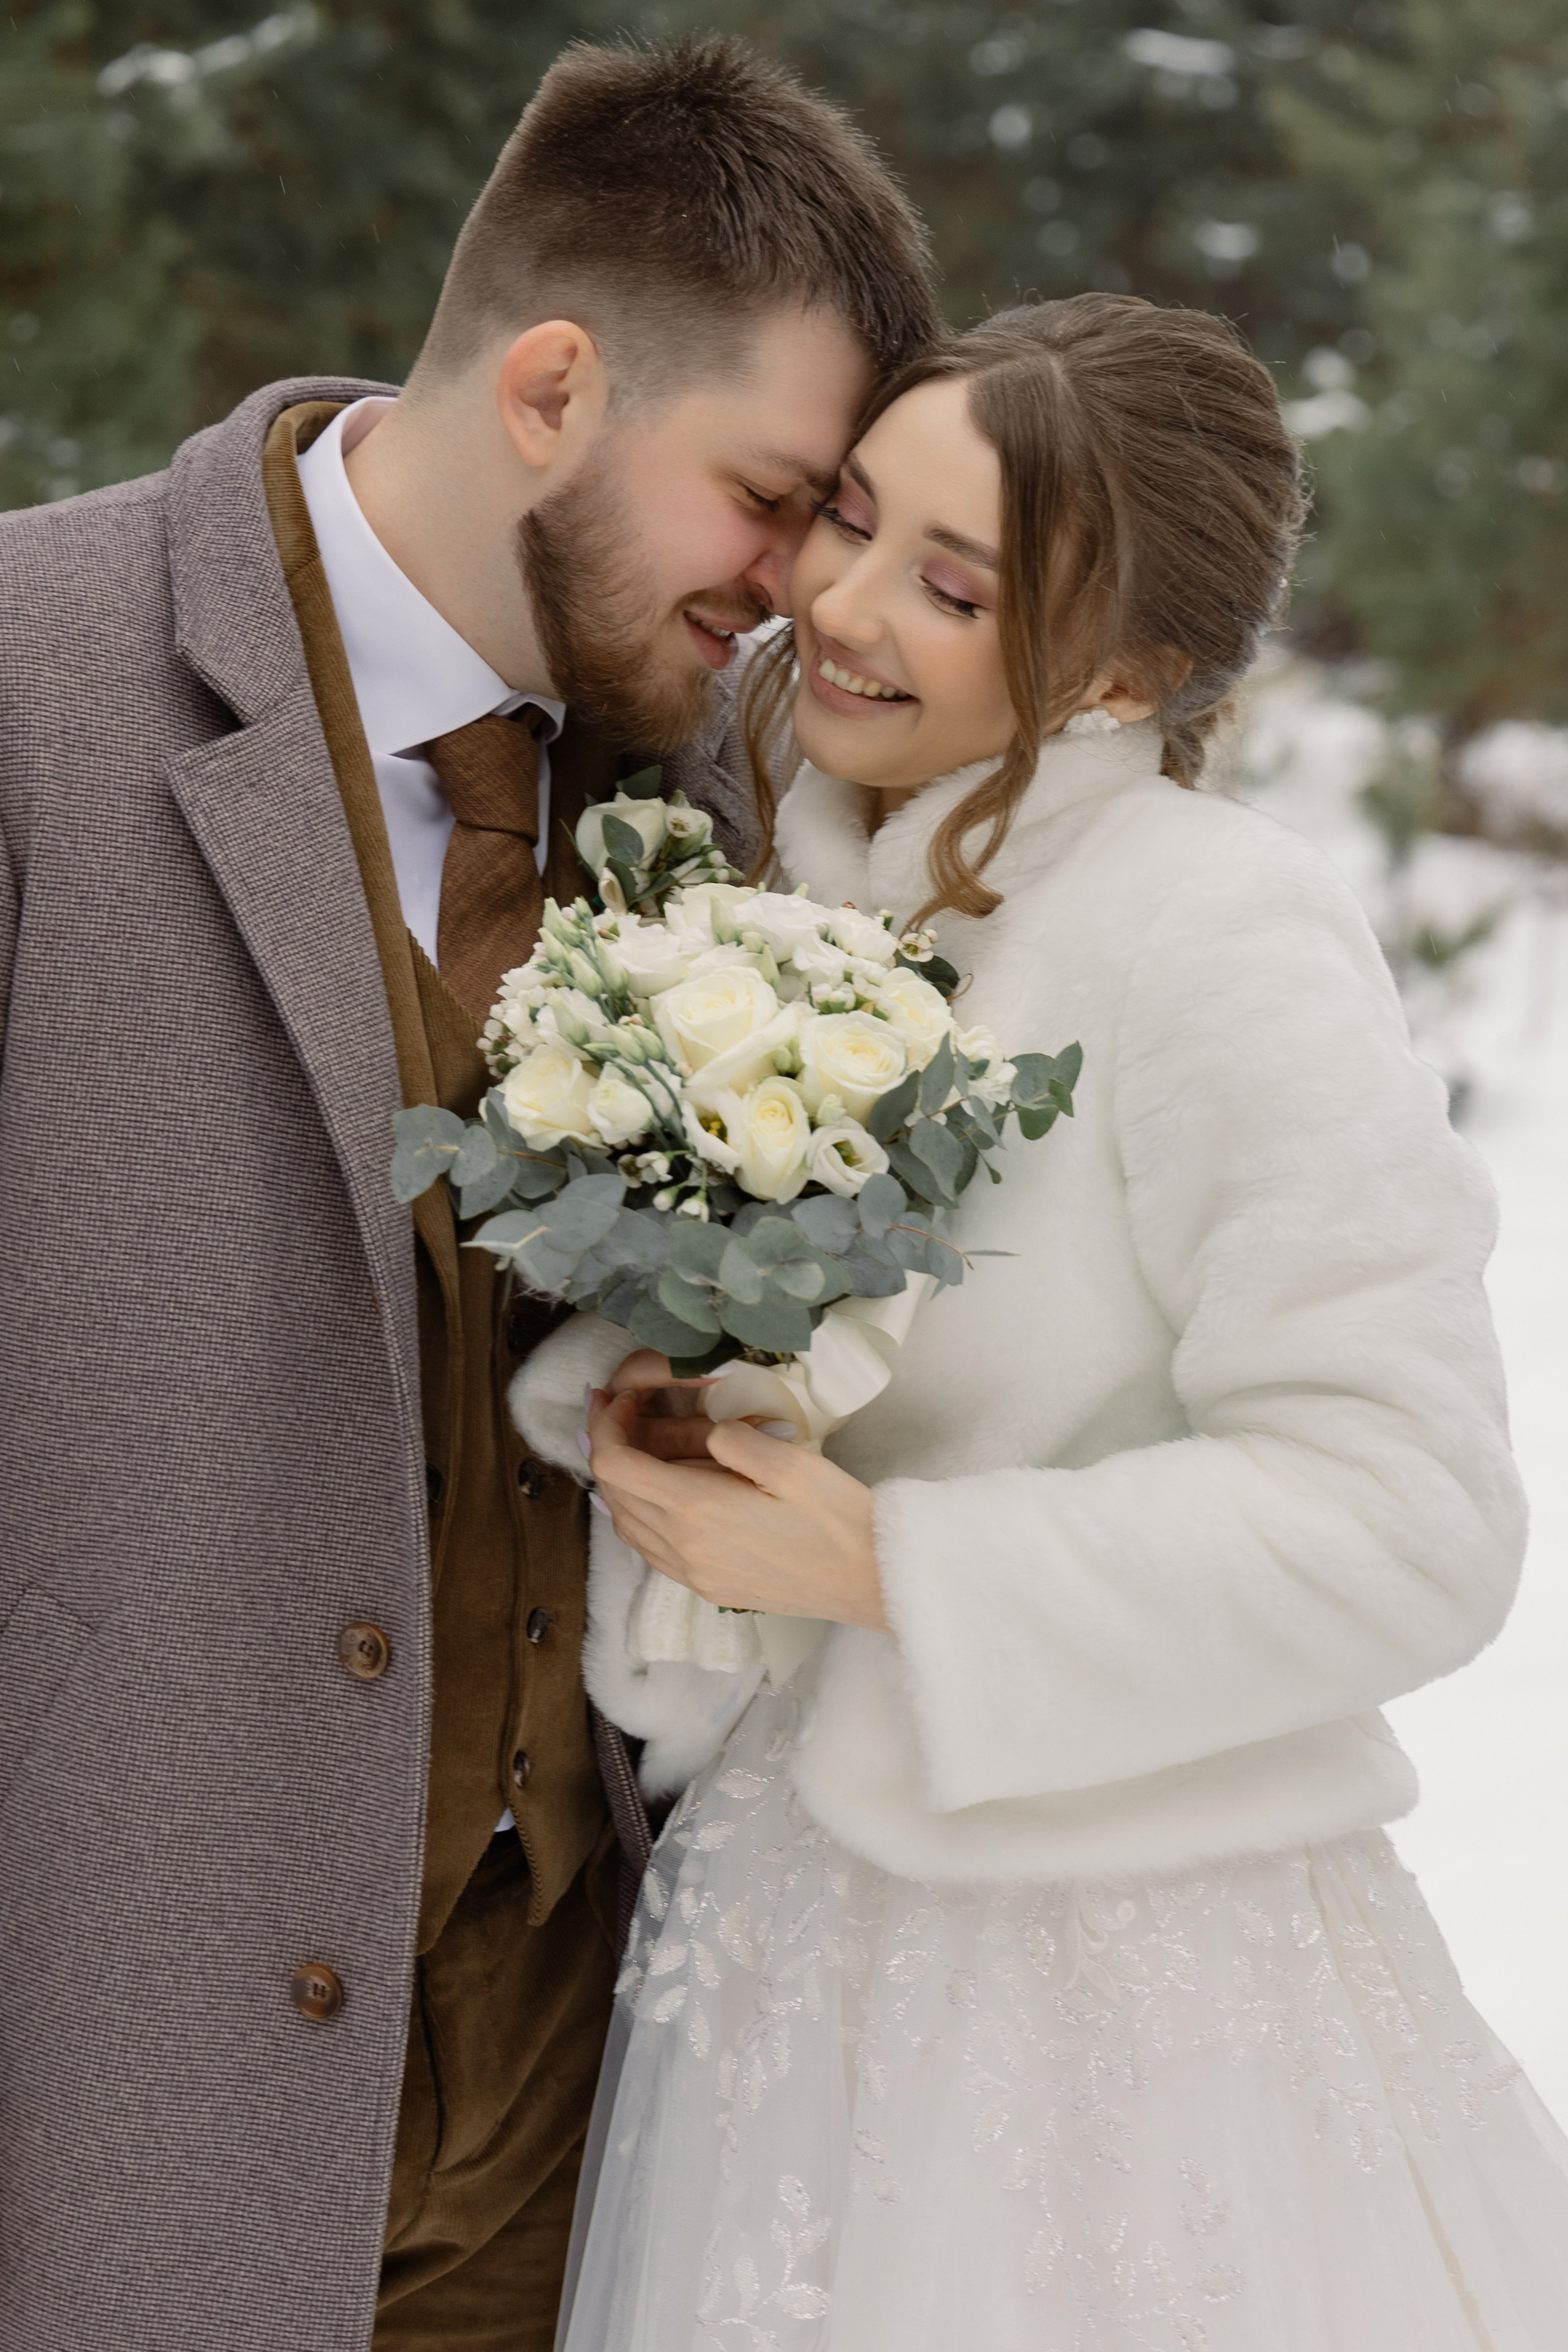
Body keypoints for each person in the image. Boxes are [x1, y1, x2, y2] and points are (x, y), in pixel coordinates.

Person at [0, 37, 941, 2352]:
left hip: (592, 2158)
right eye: (769, 494)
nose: (793, 592)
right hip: (118, 2139)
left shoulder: (742, 811)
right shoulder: (29, 684)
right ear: (550, 384)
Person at [514, 296, 1568, 2348]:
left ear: (1120, 673)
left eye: (950, 580)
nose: (837, 599)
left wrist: (893, 1561)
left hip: (1124, 2011)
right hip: (775, 1961)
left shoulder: (1213, 927)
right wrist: (664, 1412)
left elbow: (1415, 1517)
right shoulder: (799, 892)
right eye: (848, 520)